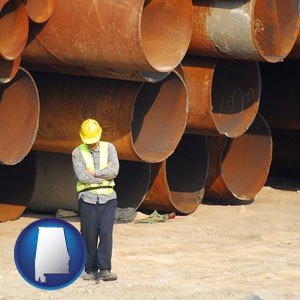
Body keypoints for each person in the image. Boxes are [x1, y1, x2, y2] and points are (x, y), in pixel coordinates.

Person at [72, 119, 119, 282]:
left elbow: (114, 171)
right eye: (89, 142)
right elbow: (81, 176)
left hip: (108, 199)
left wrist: (94, 173)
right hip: (87, 199)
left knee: (106, 233)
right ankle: (89, 269)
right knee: (89, 235)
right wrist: (103, 174)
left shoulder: (109, 148)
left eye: (94, 142)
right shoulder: (77, 152)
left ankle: (105, 269)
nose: (92, 145)